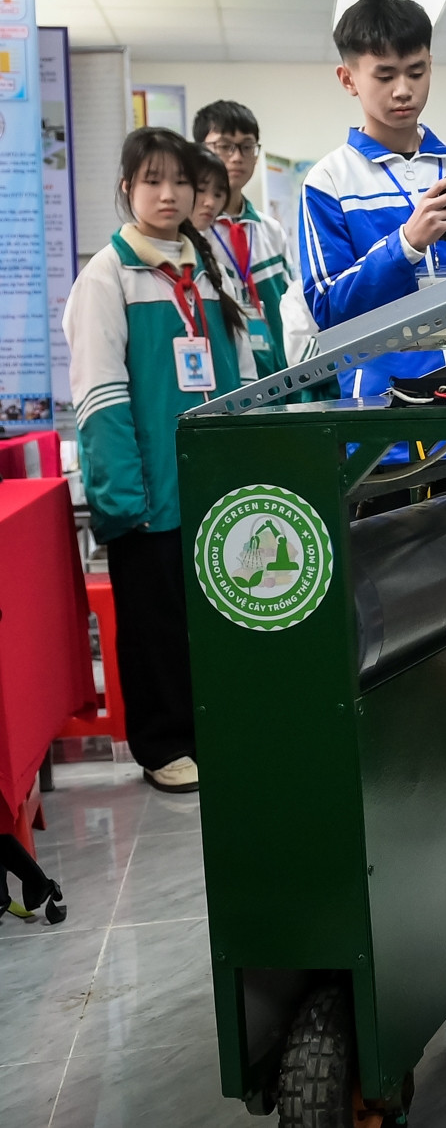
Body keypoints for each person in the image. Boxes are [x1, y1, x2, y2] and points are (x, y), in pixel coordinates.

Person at [63, 128, 257, 793]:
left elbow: (244, 374)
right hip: (149, 491)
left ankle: (215, 730)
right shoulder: (106, 276)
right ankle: (163, 743)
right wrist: (125, 498)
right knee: (156, 626)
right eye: (153, 180)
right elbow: (99, 395)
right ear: (127, 189)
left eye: (181, 181)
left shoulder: (208, 265)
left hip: (215, 485)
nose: (169, 194)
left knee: (216, 617)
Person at [300, 0, 446, 402]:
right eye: (385, 76)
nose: (403, 89)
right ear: (348, 79)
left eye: (416, 72)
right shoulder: (329, 181)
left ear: (430, 67)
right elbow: (329, 310)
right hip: (383, 403)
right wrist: (406, 245)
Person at [192, 99, 319, 378]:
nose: (237, 157)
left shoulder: (270, 230)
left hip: (277, 376)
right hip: (222, 377)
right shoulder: (192, 235)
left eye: (247, 146)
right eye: (224, 146)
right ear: (200, 152)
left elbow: (290, 309)